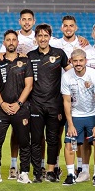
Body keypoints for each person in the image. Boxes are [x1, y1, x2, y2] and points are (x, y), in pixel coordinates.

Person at [0, 30, 34, 184]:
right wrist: (2, 104)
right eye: (8, 40)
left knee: (24, 141)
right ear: (4, 43)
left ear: (18, 43)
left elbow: (29, 85)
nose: (11, 42)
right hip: (1, 109)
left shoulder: (25, 61)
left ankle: (25, 172)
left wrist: (18, 103)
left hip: (20, 109)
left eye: (14, 39)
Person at [26, 23, 69, 182]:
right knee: (36, 140)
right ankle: (38, 172)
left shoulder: (59, 54)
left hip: (54, 105)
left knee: (52, 139)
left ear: (50, 37)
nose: (42, 39)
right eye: (40, 36)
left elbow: (71, 73)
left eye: (45, 36)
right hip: (36, 104)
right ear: (35, 38)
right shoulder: (30, 56)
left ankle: (51, 171)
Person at [60, 48, 95, 186]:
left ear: (85, 61)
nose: (78, 63)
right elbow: (66, 101)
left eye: (81, 60)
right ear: (71, 62)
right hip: (75, 116)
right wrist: (70, 124)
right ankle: (70, 175)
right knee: (70, 143)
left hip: (92, 115)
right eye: (75, 61)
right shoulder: (67, 76)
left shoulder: (94, 75)